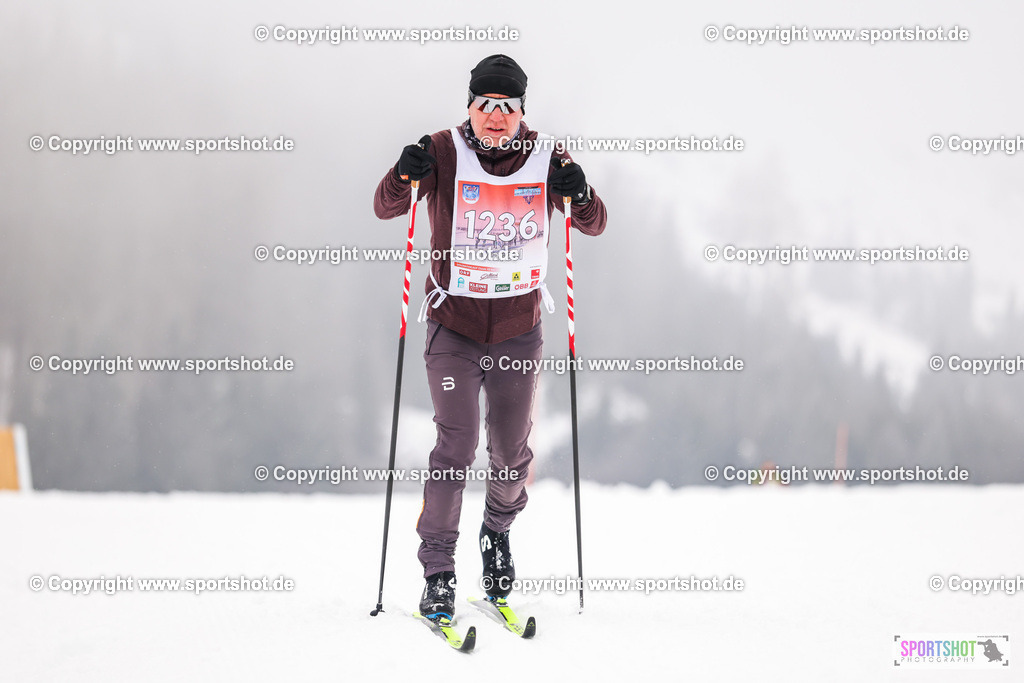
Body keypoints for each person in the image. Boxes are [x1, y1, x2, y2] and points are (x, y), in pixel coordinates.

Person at [373, 54, 607, 621]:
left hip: (518, 332)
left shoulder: (549, 156)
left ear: (522, 111)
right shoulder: (443, 151)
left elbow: (593, 222)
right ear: (470, 108)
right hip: (452, 326)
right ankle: (438, 572)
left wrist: (580, 193)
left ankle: (496, 534)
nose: (496, 118)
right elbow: (386, 206)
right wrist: (404, 172)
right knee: (455, 449)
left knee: (509, 453)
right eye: (486, 106)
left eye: (507, 107)